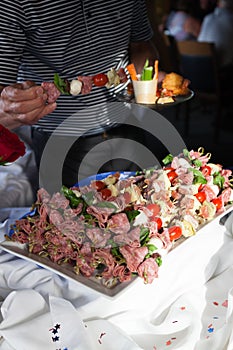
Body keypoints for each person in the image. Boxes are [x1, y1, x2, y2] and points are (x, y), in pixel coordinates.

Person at [0, 0, 160, 191]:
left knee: (142, 209)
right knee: (67, 218)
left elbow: (141, 46)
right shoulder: (14, 4)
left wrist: (147, 80)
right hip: (59, 141)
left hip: (127, 127)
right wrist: (8, 108)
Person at [198, 0, 233, 74]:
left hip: (199, 72)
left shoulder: (208, 18)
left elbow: (199, 43)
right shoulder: (230, 19)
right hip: (223, 74)